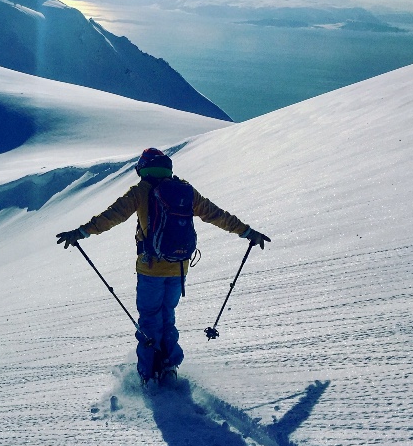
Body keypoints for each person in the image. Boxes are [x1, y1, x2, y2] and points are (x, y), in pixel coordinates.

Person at [56, 148, 270, 385]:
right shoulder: (185, 190)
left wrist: (81, 232)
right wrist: (247, 232)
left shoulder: (141, 191)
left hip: (150, 268)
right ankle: (169, 366)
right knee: (167, 315)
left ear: (143, 168)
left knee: (149, 319)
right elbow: (215, 214)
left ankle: (147, 374)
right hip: (179, 267)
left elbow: (113, 215)